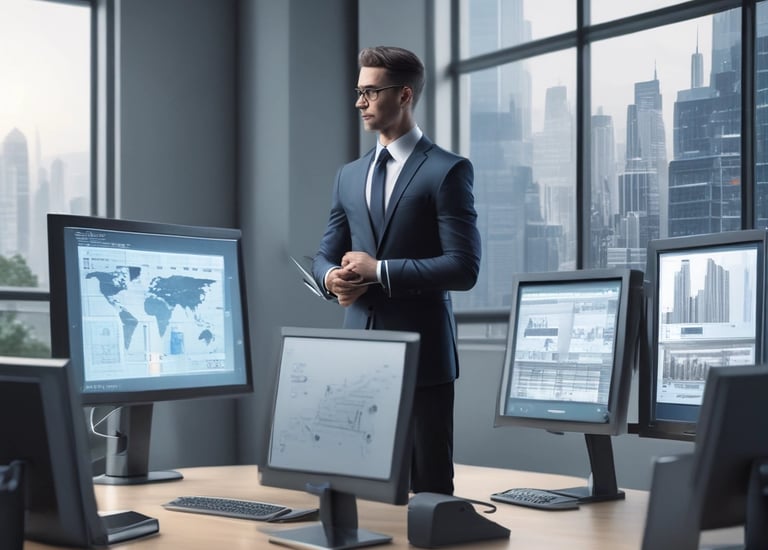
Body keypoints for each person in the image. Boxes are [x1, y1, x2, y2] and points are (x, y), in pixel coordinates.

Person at [312, 46, 481, 495]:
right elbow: (324, 255)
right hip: (358, 357)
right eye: (358, 91)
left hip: (423, 358)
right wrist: (332, 279)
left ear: (404, 95)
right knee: (356, 491)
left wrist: (379, 270)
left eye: (369, 91)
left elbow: (463, 268)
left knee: (428, 496)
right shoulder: (348, 175)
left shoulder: (447, 171)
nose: (359, 102)